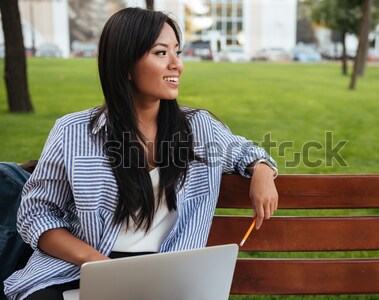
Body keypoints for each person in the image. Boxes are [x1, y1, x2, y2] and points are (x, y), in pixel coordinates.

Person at [4, 7, 278, 300]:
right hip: (77, 270)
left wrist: (261, 170)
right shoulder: (73, 131)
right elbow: (36, 214)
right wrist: (98, 264)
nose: (177, 65)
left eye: (177, 52)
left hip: (166, 278)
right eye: (161, 53)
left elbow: (247, 151)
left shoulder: (199, 129)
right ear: (126, 65)